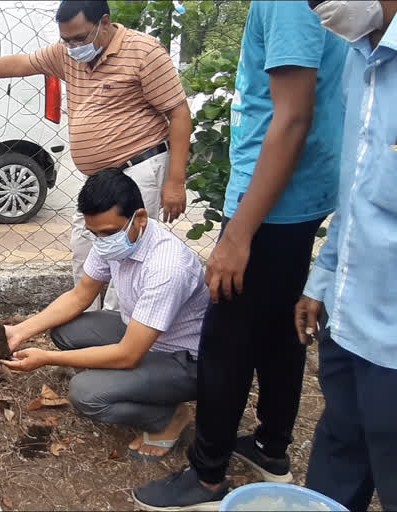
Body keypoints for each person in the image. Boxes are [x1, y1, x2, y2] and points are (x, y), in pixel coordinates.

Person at [132, 1, 348, 509]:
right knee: (278, 327)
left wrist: (239, 234)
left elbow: (291, 118)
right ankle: (271, 447)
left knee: (225, 342)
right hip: (302, 193)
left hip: (272, 203)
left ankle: (207, 477)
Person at [0, 0, 192, 312]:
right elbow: (21, 63)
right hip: (98, 176)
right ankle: (88, 319)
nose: (71, 47)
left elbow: (178, 113)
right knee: (85, 245)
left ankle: (119, 330)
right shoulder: (67, 52)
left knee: (129, 253)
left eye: (79, 38)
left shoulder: (143, 52)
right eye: (66, 40)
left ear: (105, 23)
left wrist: (176, 180)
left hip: (139, 165)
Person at [296, 2, 397, 510]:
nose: (316, 7)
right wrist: (322, 280)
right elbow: (356, 193)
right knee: (339, 455)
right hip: (349, 321)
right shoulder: (360, 57)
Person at [1, 170, 207, 460]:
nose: (102, 240)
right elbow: (79, 296)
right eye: (94, 233)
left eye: (108, 232)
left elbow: (128, 355)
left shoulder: (167, 268)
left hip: (185, 360)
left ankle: (169, 417)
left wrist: (46, 358)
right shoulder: (112, 239)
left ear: (141, 218)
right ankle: (122, 383)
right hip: (143, 335)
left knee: (85, 394)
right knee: (64, 330)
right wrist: (21, 331)